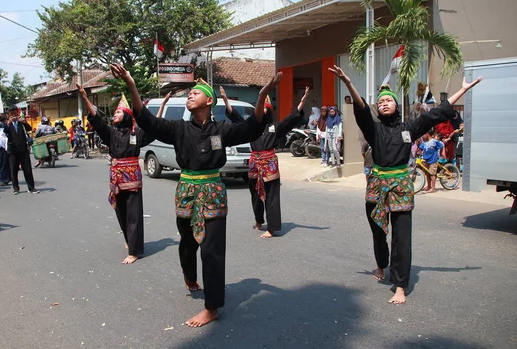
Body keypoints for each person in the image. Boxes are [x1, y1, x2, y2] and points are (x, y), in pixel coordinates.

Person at [112, 62, 278, 328]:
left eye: (195, 93)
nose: (189, 95)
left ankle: (211, 307)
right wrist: (131, 85)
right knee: (188, 244)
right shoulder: (178, 129)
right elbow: (148, 120)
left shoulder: (222, 129)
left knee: (212, 250)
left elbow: (251, 128)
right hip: (186, 191)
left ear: (209, 100)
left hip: (212, 191)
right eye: (188, 93)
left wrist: (260, 98)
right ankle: (189, 275)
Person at [328, 64, 484, 304]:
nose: (384, 103)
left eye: (388, 100)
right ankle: (382, 265)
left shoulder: (409, 128)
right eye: (380, 102)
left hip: (401, 187)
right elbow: (360, 109)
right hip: (377, 186)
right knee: (378, 231)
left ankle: (400, 285)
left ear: (396, 105)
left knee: (402, 237)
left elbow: (436, 114)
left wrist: (462, 90)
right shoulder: (374, 129)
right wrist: (348, 82)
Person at [78, 85, 155, 264]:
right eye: (114, 113)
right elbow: (97, 120)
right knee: (120, 211)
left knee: (134, 214)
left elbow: (153, 127)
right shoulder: (110, 134)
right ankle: (130, 241)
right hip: (116, 178)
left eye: (118, 112)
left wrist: (160, 107)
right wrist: (85, 98)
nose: (114, 115)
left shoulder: (137, 133)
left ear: (126, 115)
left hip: (133, 178)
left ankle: (134, 252)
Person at [222, 85, 310, 238]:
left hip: (269, 164)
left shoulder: (274, 128)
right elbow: (236, 118)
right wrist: (225, 100)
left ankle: (272, 227)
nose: (262, 110)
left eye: (264, 108)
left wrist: (302, 101)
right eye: (260, 108)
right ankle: (258, 220)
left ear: (268, 111)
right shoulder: (250, 127)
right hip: (254, 164)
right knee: (255, 195)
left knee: (272, 197)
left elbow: (291, 119)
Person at [4, 106, 39, 195]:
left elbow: (29, 128)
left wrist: (23, 122)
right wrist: (9, 122)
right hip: (12, 150)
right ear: (8, 115)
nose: (13, 116)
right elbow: (5, 131)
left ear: (18, 113)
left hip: (23, 149)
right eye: (11, 114)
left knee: (27, 169)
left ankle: (31, 188)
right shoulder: (7, 124)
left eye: (15, 113)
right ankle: (16, 188)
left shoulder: (21, 122)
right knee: (14, 169)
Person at [0, 118, 11, 186]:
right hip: (2, 151)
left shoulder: (1, 136)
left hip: (2, 151)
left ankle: (2, 179)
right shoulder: (0, 135)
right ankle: (4, 178)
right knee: (4, 165)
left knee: (2, 165)